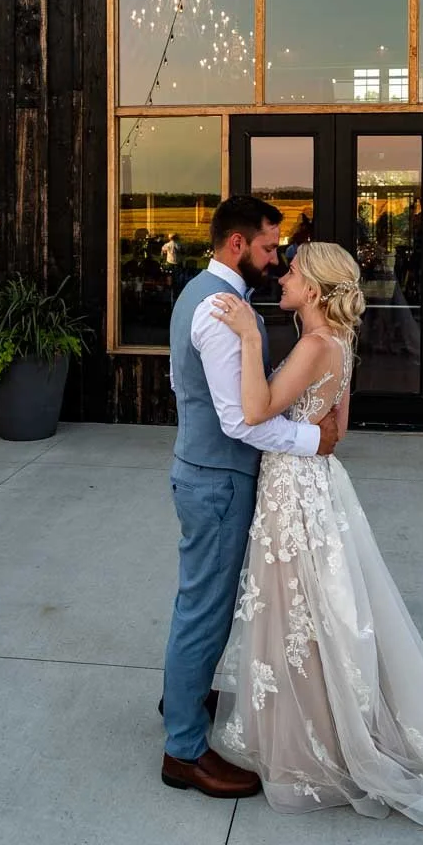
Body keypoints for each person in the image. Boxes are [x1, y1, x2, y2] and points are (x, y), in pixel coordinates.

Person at [208, 241, 423, 827]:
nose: (284, 275)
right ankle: (317, 725)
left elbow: (251, 411)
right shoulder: (341, 345)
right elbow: (338, 427)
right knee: (316, 613)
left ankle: (310, 743)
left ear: (316, 291)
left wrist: (250, 337)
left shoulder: (312, 344)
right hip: (314, 483)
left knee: (296, 611)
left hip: (292, 491)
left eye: (294, 272)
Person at [161, 196, 340, 799]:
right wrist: (312, 437)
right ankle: (183, 750)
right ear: (237, 244)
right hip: (217, 477)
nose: (276, 257)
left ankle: (183, 695)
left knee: (205, 598)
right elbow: (240, 420)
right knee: (204, 607)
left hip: (207, 470)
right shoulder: (219, 309)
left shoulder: (201, 295)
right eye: (269, 246)